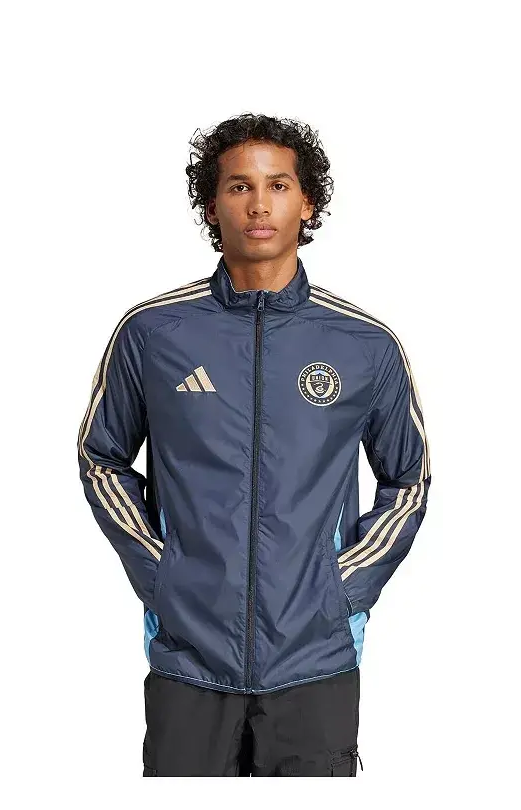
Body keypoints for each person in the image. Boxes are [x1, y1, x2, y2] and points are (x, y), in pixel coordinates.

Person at [77, 113, 431, 776]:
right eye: (239, 186)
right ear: (212, 205)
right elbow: (102, 458)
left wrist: (344, 588)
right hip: (189, 658)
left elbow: (408, 480)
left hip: (316, 659)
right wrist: (163, 574)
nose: (259, 204)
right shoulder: (154, 333)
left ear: (308, 203)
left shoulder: (364, 344)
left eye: (278, 185)